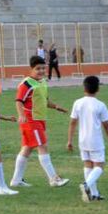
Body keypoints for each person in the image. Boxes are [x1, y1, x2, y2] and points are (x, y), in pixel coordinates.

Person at [10, 55, 71, 188]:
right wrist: (21, 115)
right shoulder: (26, 84)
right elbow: (18, 101)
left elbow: (44, 100)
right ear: (31, 69)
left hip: (40, 119)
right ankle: (53, 179)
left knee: (27, 148)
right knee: (42, 146)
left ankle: (16, 180)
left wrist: (55, 106)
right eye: (38, 69)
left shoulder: (42, 82)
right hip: (30, 120)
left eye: (43, 68)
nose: (42, 71)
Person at [67, 75, 108, 202]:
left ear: (84, 88)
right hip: (95, 140)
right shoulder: (100, 105)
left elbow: (72, 122)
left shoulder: (77, 103)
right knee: (99, 165)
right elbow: (106, 125)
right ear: (98, 89)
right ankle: (86, 184)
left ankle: (94, 194)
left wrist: (70, 141)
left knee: (88, 164)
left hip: (82, 140)